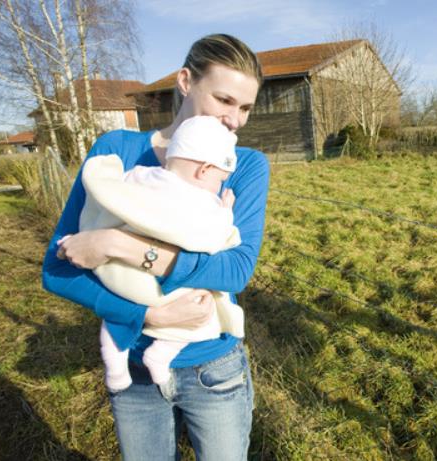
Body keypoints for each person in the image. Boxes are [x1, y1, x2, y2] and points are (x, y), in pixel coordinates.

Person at [42, 34, 268, 461]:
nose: (235, 120)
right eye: (224, 100)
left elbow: (236, 269)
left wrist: (118, 244)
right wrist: (146, 314)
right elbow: (56, 271)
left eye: (245, 108)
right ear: (186, 80)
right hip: (134, 369)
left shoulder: (242, 164)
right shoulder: (117, 153)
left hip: (215, 369)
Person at [78, 115, 246, 393]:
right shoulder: (202, 201)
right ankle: (162, 353)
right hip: (160, 287)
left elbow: (113, 193)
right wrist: (226, 211)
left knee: (116, 317)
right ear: (204, 170)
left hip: (120, 275)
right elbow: (215, 239)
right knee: (206, 306)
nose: (219, 187)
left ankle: (116, 370)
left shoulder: (140, 175)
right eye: (220, 179)